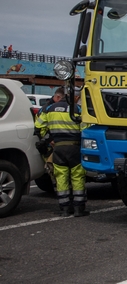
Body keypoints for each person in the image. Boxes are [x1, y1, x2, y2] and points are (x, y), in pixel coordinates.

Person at [34, 86, 88, 217]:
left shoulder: (49, 109)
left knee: (61, 178)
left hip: (58, 148)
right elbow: (86, 129)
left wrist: (50, 139)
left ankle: (64, 209)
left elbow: (38, 127)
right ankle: (78, 209)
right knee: (77, 177)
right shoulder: (78, 110)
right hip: (75, 148)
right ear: (75, 97)